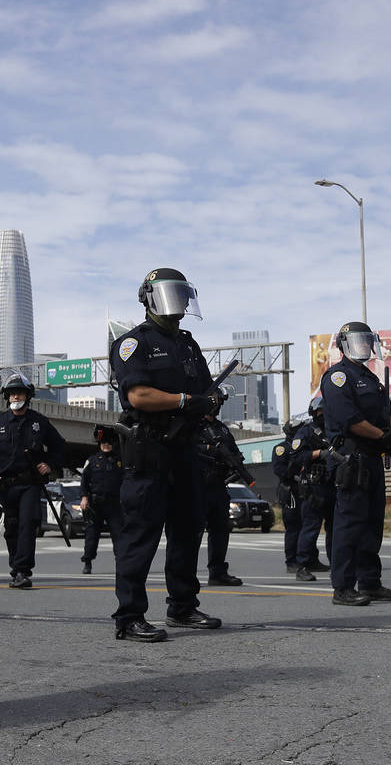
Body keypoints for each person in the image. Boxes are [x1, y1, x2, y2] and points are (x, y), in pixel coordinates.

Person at [108, 267, 221, 641]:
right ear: (149, 298)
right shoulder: (133, 343)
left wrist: (210, 401)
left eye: (181, 295)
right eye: (169, 294)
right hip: (150, 449)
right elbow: (139, 395)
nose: (178, 303)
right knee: (140, 533)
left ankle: (183, 607)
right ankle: (129, 616)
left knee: (188, 529)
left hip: (186, 448)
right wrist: (186, 400)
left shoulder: (188, 345)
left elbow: (206, 392)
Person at [320, 321, 391, 606]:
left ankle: (370, 582)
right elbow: (350, 421)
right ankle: (343, 587)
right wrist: (382, 435)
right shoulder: (338, 377)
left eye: (368, 340)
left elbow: (390, 412)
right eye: (359, 340)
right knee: (349, 523)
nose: (365, 345)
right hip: (351, 457)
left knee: (372, 523)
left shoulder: (371, 378)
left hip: (372, 457)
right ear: (344, 344)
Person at [0, 372, 69, 589]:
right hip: (6, 486)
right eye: (12, 393)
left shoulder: (39, 422)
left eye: (20, 393)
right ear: (6, 397)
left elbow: (59, 446)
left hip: (30, 485)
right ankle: (15, 568)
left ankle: (23, 571)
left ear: (28, 396)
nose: (16, 397)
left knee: (28, 525)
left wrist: (50, 464)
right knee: (12, 527)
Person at [196, 414, 244, 586]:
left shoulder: (221, 428)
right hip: (198, 485)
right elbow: (186, 448)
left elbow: (233, 450)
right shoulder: (192, 423)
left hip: (218, 484)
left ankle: (217, 573)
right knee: (193, 531)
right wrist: (209, 449)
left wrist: (236, 462)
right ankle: (186, 573)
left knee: (220, 530)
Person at [291, 398, 334, 581]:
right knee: (310, 528)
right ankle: (302, 565)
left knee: (336, 529)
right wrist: (319, 454)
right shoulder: (306, 432)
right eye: (321, 412)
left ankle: (337, 564)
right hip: (314, 486)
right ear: (315, 412)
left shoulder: (335, 430)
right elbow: (297, 456)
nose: (324, 415)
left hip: (334, 485)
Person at [79, 424, 124, 574]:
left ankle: (121, 563)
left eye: (109, 442)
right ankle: (87, 562)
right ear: (99, 444)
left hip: (114, 504)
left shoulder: (120, 461)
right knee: (91, 536)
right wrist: (84, 498)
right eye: (104, 442)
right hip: (95, 504)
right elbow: (84, 481)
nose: (106, 445)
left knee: (119, 535)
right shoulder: (91, 461)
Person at [274, 419, 303, 573]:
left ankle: (309, 559)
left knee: (306, 526)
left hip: (305, 490)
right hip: (290, 490)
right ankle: (291, 562)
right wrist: (295, 475)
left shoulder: (304, 447)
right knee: (293, 527)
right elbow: (279, 469)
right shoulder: (282, 448)